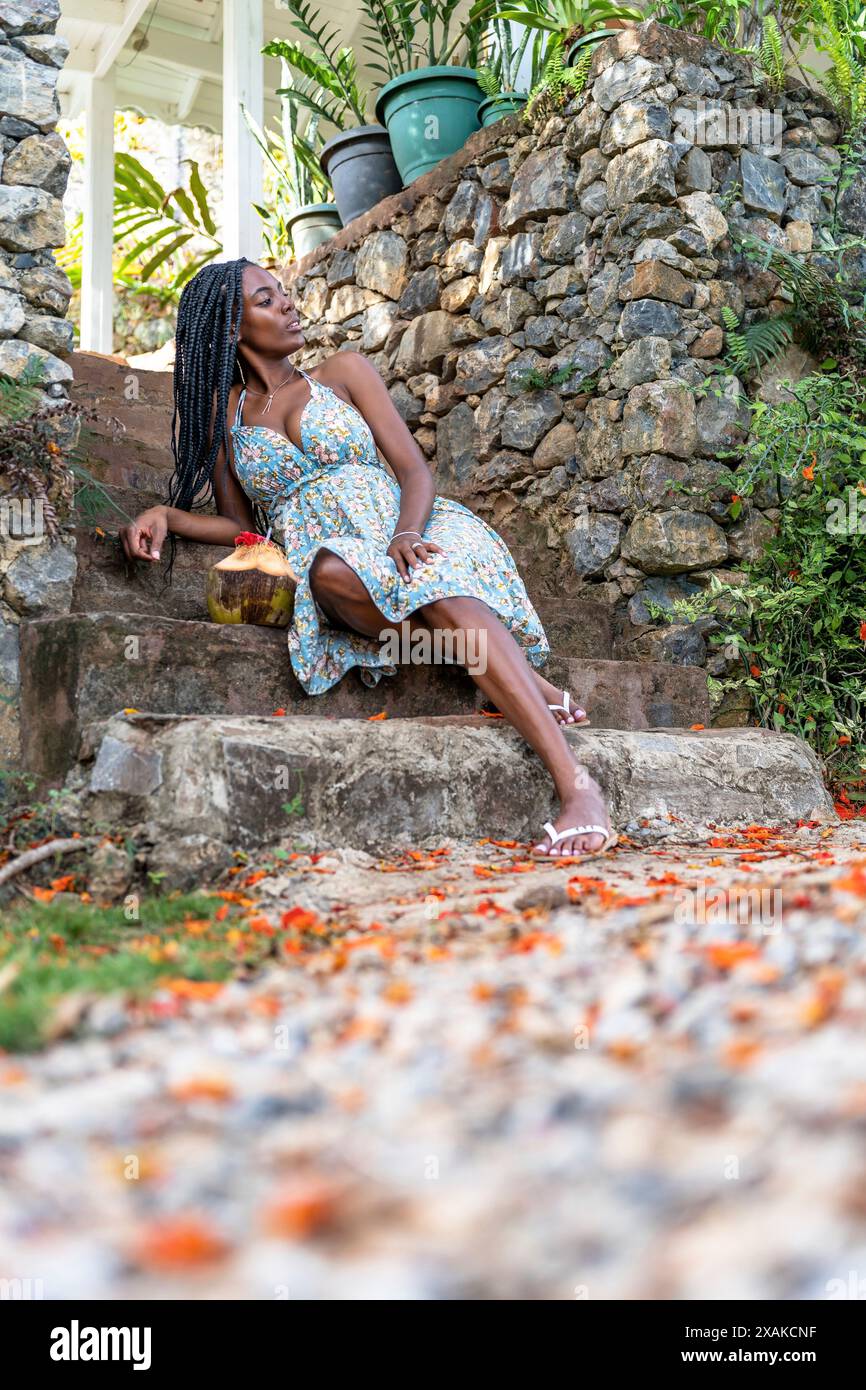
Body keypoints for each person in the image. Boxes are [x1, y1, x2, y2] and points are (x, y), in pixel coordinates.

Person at [119, 258, 614, 857]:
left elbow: (413, 469)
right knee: (328, 574)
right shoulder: (227, 422)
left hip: (405, 528)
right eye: (266, 301)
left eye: (285, 294)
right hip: (332, 557)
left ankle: (578, 787)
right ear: (231, 328)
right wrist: (167, 516)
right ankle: (525, 679)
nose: (289, 305)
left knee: (430, 582)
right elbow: (242, 529)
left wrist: (405, 532)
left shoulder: (342, 373)